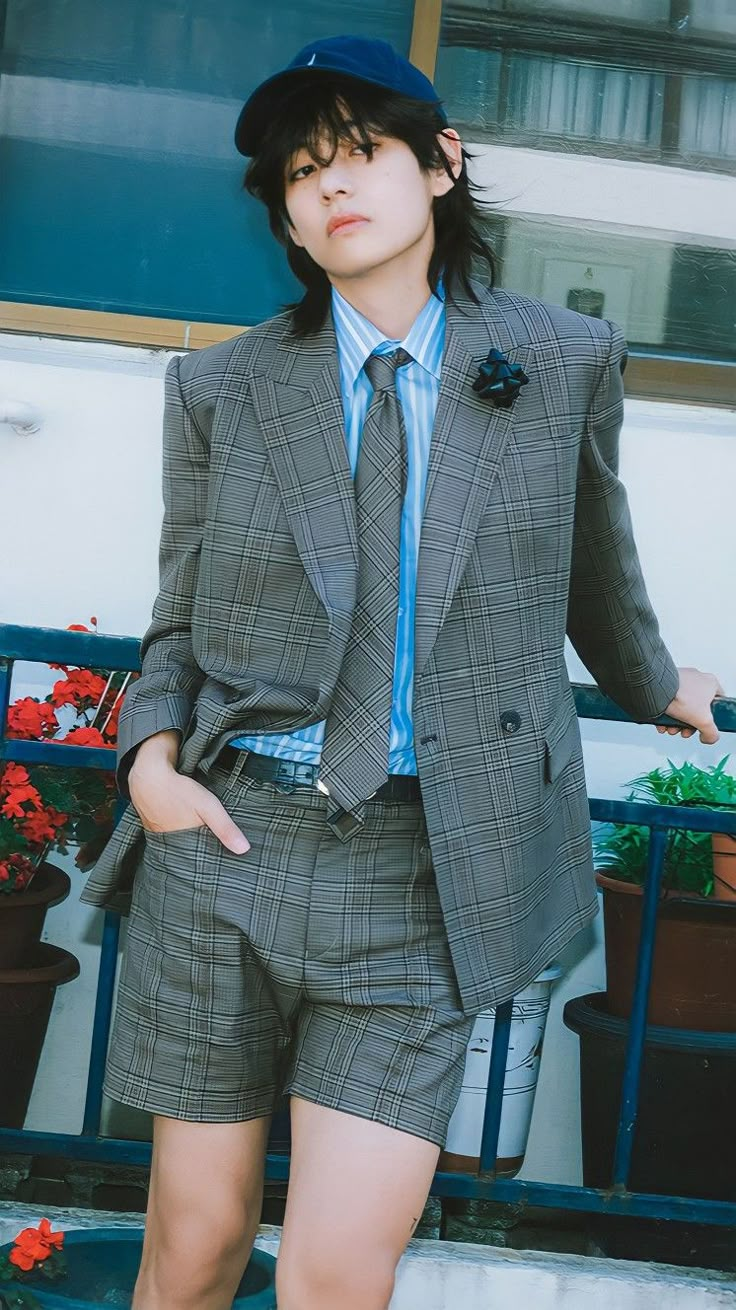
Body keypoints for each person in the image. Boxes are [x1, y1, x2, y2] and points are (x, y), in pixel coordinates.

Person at [80, 34, 723, 1310]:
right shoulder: (221, 387)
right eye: (299, 174)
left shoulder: (559, 360)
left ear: (440, 165)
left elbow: (596, 557)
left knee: (332, 1274)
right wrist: (152, 766)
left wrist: (654, 680)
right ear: (285, 218)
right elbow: (178, 620)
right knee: (193, 1250)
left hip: (428, 869)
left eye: (361, 151)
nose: (331, 187)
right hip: (228, 847)